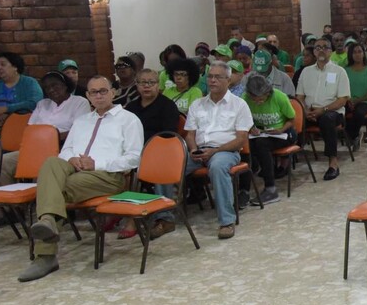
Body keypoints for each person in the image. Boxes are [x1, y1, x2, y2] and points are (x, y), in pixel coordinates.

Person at [18, 75, 145, 282]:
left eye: (103, 91)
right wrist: (72, 159)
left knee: (52, 189)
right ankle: (48, 221)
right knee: (51, 162)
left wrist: (97, 164)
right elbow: (66, 150)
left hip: (107, 177)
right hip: (74, 170)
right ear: (87, 96)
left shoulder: (129, 120)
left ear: (113, 92)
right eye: (94, 92)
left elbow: (133, 158)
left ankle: (45, 255)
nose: (99, 96)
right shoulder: (81, 121)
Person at [185, 61, 255, 240]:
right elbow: (190, 134)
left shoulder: (239, 105)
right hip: (199, 151)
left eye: (217, 77)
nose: (212, 80)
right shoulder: (197, 104)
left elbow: (241, 139)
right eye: (210, 76)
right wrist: (193, 150)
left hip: (226, 152)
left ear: (228, 80)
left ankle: (226, 221)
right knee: (170, 165)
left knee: (217, 167)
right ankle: (164, 218)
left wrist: (215, 151)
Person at [0, 72, 90, 186]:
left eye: (54, 85)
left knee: (43, 167)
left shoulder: (80, 102)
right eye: (47, 87)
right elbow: (30, 130)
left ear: (65, 85)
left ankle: (39, 195)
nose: (51, 90)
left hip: (62, 150)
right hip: (36, 148)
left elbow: (78, 131)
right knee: (2, 162)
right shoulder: (42, 104)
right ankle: (11, 195)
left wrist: (51, 139)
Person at [123, 68, 181, 239]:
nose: (147, 86)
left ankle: (165, 218)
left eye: (151, 82)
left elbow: (169, 135)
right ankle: (126, 212)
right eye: (143, 82)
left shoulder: (167, 106)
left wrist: (145, 149)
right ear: (137, 85)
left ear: (158, 85)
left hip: (160, 151)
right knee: (116, 166)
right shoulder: (131, 107)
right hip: (133, 151)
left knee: (160, 166)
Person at [296, 37, 350, 181]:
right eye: (317, 47)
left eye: (325, 47)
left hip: (332, 112)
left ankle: (333, 163)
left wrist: (323, 110)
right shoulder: (306, 72)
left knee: (327, 119)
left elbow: (342, 100)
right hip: (309, 112)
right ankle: (285, 162)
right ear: (314, 52)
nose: (321, 50)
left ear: (331, 51)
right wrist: (305, 111)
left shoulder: (339, 71)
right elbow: (299, 96)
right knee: (292, 118)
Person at [243, 74, 294, 206]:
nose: (258, 103)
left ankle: (271, 189)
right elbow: (242, 119)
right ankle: (243, 189)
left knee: (261, 145)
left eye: (261, 99)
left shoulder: (279, 97)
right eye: (255, 100)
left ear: (268, 93)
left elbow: (292, 119)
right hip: (261, 133)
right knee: (245, 144)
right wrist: (251, 127)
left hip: (283, 133)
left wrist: (281, 129)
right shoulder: (244, 99)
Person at [0, 51, 42, 121]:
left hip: (23, 121)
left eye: (3, 64)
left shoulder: (29, 82)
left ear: (15, 67)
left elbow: (34, 102)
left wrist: (6, 109)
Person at [344, 41, 367, 145]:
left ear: (364, 53)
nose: (357, 54)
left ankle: (353, 136)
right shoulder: (345, 70)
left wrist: (357, 101)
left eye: (359, 51)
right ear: (350, 55)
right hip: (349, 101)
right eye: (354, 52)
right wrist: (349, 101)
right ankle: (347, 135)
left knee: (358, 112)